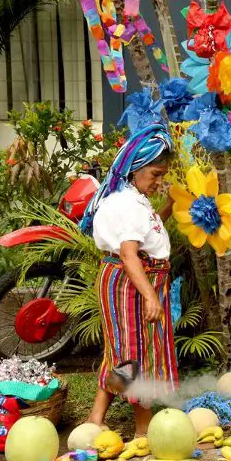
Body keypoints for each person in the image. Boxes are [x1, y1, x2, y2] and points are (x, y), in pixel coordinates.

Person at [79, 124, 178, 436]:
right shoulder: (124, 203)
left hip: (134, 280)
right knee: (135, 354)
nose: (159, 181)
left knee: (124, 352)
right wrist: (149, 296)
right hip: (131, 282)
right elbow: (129, 254)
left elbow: (147, 232)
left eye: (163, 175)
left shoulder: (134, 198)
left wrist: (171, 206)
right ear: (135, 169)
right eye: (155, 174)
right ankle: (143, 429)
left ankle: (96, 418)